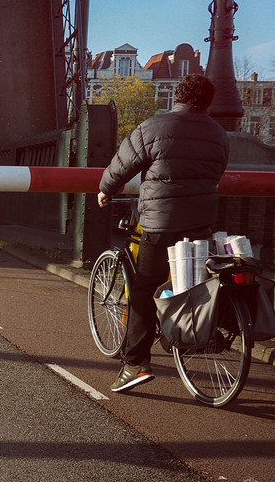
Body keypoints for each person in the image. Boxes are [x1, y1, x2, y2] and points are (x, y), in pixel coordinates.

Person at [96, 72, 229, 393]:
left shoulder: (154, 126)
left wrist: (105, 189)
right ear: (207, 102)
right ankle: (190, 335)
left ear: (177, 97)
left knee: (143, 290)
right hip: (200, 223)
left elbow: (122, 164)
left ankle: (135, 364)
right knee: (191, 285)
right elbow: (218, 172)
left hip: (160, 222)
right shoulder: (218, 134)